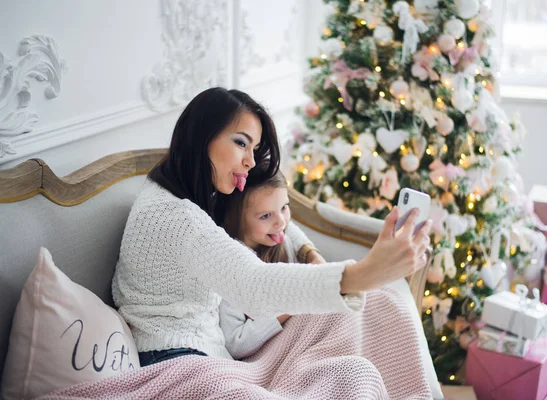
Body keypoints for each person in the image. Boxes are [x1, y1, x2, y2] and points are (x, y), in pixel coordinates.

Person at [111, 87, 432, 367]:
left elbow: (274, 218)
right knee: (348, 368)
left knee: (379, 309)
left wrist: (309, 252)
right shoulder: (174, 217)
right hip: (175, 359)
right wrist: (365, 273)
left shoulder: (198, 187)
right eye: (241, 143)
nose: (250, 161)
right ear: (201, 138)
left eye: (254, 149)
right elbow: (254, 283)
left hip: (213, 354)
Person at [219, 169, 306, 360]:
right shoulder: (231, 269)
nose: (281, 222)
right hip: (276, 356)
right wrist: (290, 307)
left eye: (284, 207)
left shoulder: (284, 242)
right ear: (236, 218)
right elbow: (235, 343)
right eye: (266, 216)